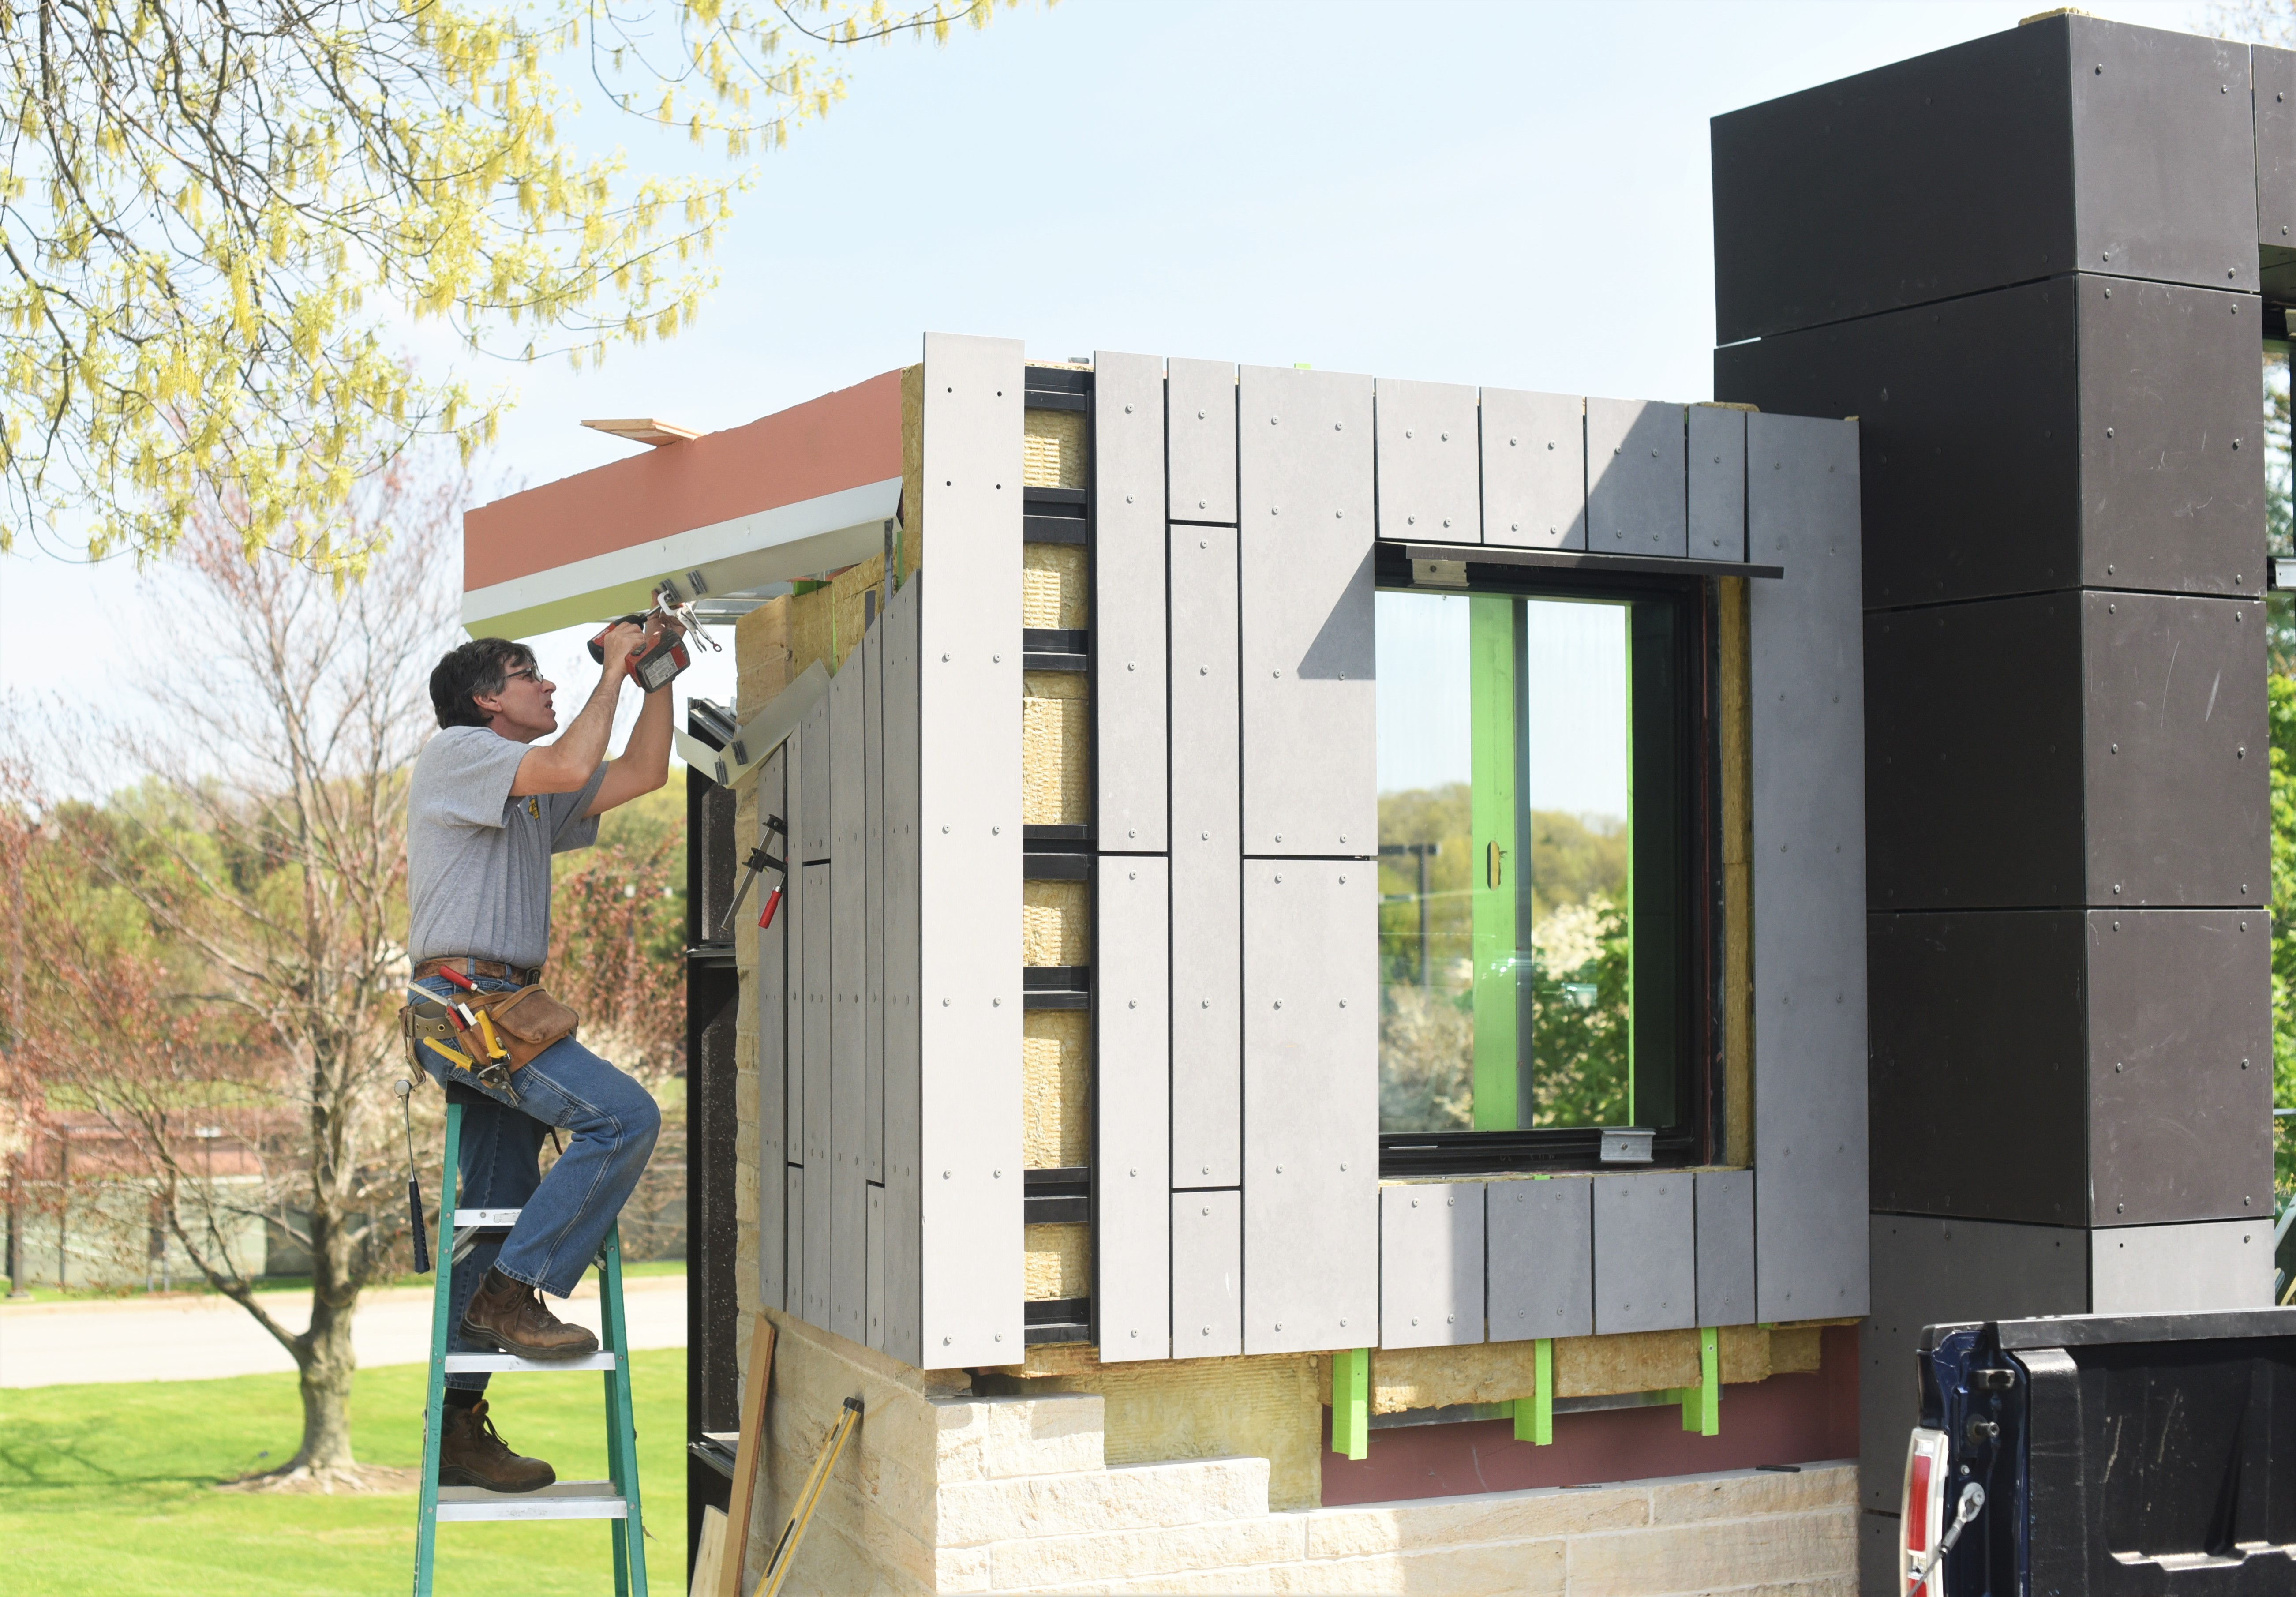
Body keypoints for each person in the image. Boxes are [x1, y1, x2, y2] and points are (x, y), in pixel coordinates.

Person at [405, 619, 669, 1492]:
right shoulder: (459, 753)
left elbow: (640, 773)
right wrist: (612, 672)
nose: (548, 687)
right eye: (529, 677)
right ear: (488, 701)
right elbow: (564, 760)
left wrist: (655, 675)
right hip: (468, 1006)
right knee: (623, 1115)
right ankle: (518, 1291)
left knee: (494, 1207)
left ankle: (458, 1428)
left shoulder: (520, 792)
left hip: (500, 1006)